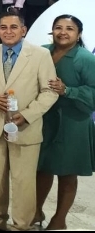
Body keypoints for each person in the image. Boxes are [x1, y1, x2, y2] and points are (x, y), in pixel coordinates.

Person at [0, 12, 58, 231]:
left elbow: (49, 91)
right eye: (3, 27)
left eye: (13, 27)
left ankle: (21, 225)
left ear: (23, 30)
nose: (8, 31)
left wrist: (27, 115)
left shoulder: (39, 55)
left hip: (25, 127)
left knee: (23, 180)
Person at [35, 15, 95, 230]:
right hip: (45, 119)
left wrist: (68, 90)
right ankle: (35, 211)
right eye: (58, 27)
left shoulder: (85, 58)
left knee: (67, 173)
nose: (63, 32)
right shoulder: (43, 52)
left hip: (73, 122)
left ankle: (59, 220)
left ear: (79, 34)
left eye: (69, 29)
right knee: (42, 168)